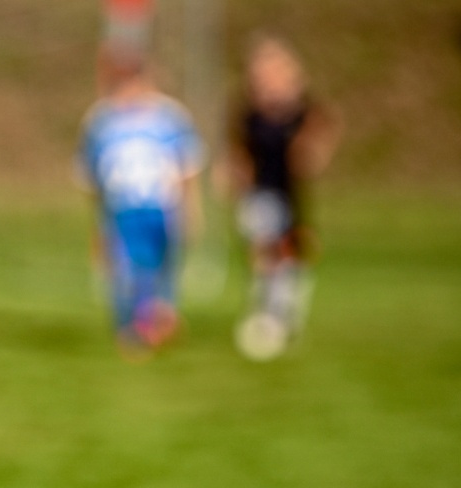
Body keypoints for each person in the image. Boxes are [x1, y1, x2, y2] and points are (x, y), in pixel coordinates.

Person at [77, 44, 205, 357]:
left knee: (160, 273)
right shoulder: (100, 121)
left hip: (161, 210)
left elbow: (187, 169)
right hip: (121, 213)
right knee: (125, 274)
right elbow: (92, 179)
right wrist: (98, 224)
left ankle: (156, 323)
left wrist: (192, 210)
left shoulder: (170, 117)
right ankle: (133, 331)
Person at [231, 34, 342, 361]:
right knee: (266, 247)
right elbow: (241, 152)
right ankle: (270, 309)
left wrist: (315, 152)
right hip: (260, 195)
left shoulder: (300, 113)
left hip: (290, 194)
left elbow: (326, 127)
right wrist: (235, 171)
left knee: (290, 252)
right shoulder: (250, 115)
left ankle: (282, 307)